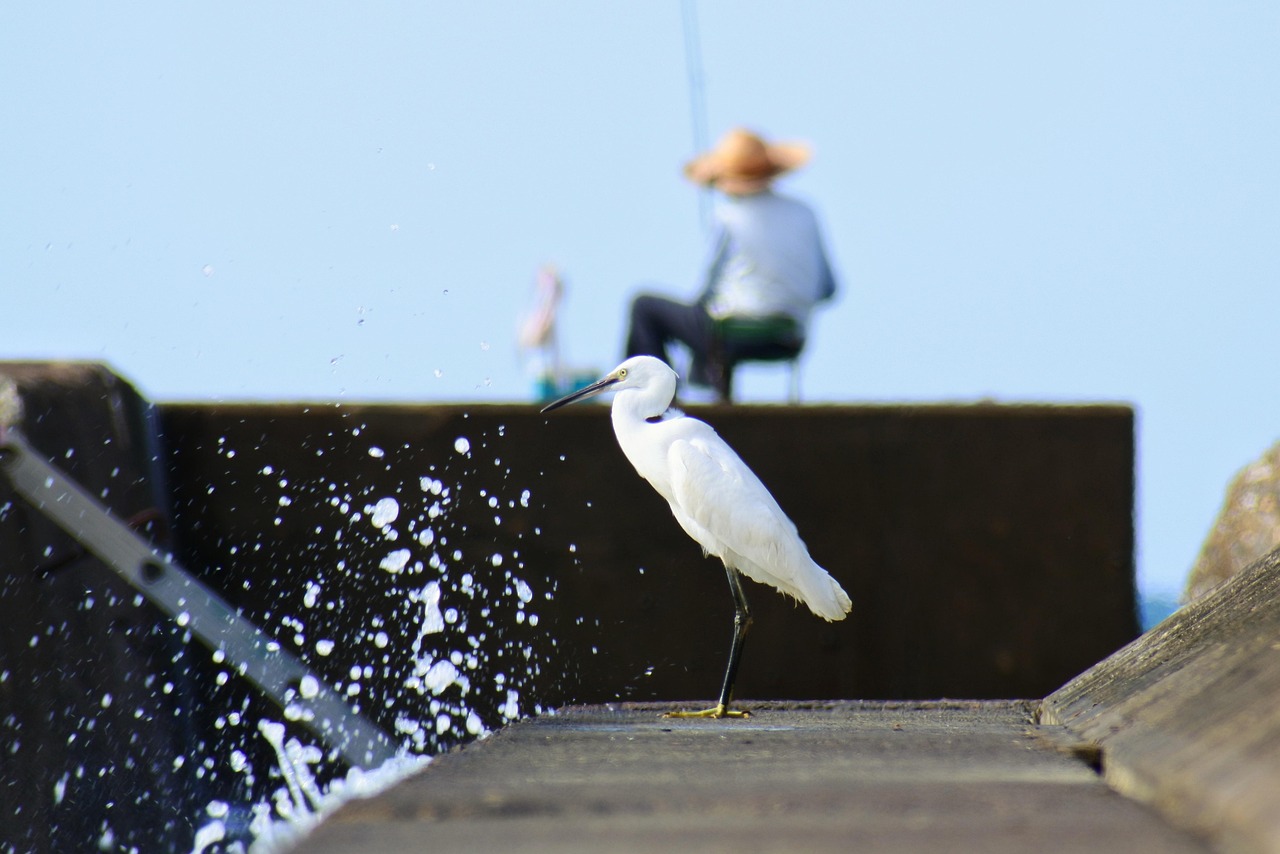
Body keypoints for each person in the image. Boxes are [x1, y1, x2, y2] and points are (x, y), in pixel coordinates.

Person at [624, 127, 836, 392]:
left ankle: (657, 400)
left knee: (644, 307)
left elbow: (705, 291)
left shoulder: (728, 217)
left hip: (731, 334)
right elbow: (828, 289)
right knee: (709, 322)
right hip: (790, 335)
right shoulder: (806, 213)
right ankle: (702, 380)